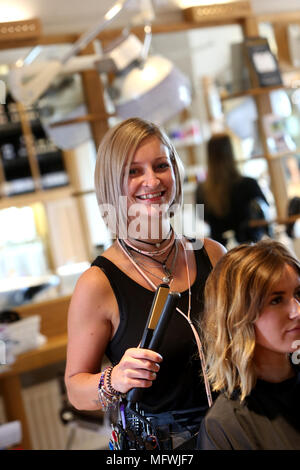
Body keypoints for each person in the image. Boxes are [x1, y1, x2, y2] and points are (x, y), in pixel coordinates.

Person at [64, 117, 226, 450]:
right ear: (113, 184)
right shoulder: (98, 284)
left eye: (160, 165)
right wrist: (116, 378)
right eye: (134, 172)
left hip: (232, 433)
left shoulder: (212, 254)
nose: (152, 180)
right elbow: (76, 390)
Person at [197, 239, 300, 450]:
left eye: (298, 294)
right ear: (238, 315)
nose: (297, 311)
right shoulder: (226, 426)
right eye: (276, 300)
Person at [196, 133, 269, 247]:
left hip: (221, 252)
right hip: (250, 249)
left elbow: (202, 218)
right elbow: (264, 210)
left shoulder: (201, 190)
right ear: (231, 153)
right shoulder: (248, 184)